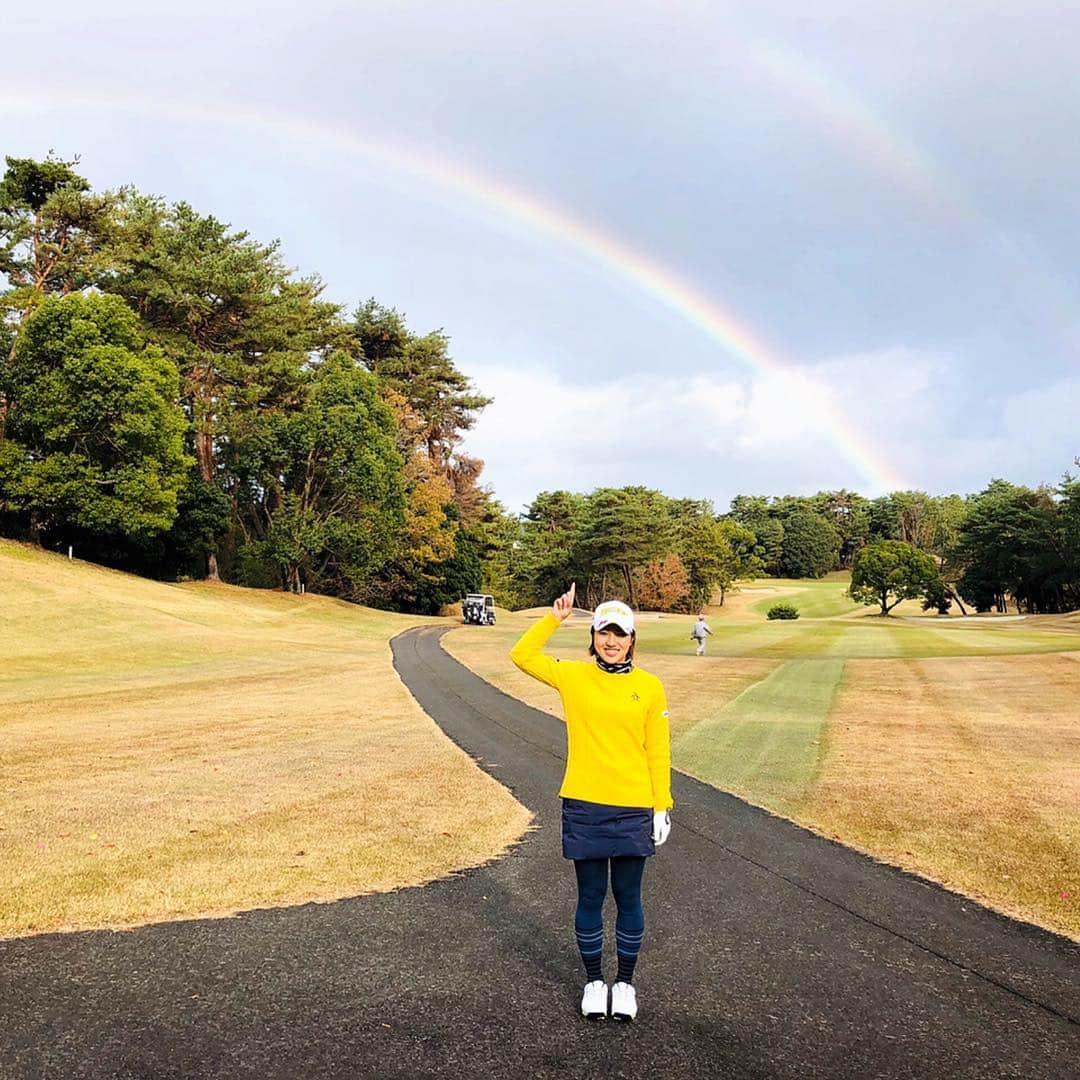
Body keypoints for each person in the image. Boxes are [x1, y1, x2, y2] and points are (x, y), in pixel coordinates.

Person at [510, 582, 672, 1022]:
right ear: (594, 637)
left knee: (628, 897)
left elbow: (657, 749)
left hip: (634, 805)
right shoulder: (574, 676)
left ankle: (625, 984)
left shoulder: (650, 686)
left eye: (620, 634)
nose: (612, 641)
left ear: (632, 639)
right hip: (585, 803)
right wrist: (554, 617)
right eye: (604, 633)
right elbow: (521, 656)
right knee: (590, 896)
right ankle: (594, 981)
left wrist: (662, 804)